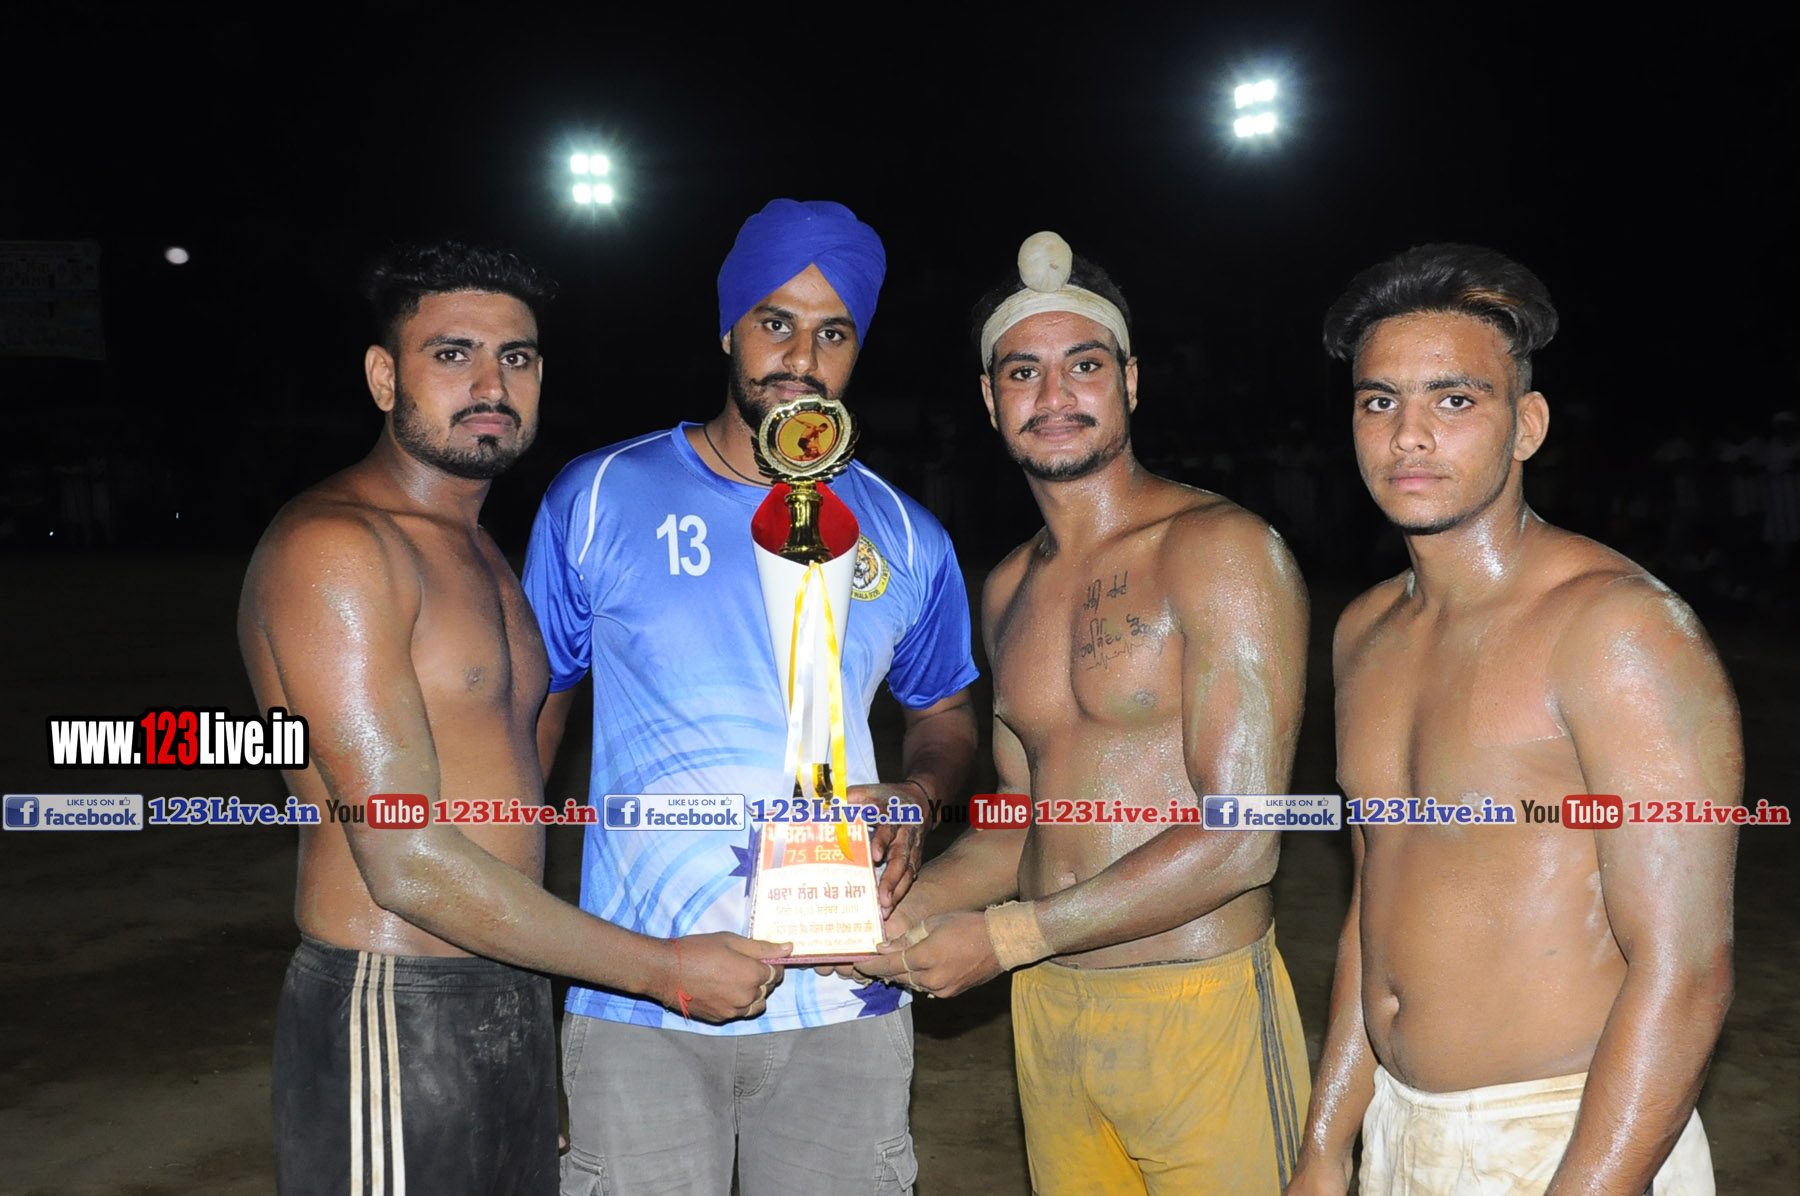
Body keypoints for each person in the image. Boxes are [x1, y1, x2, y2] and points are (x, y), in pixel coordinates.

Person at [240, 242, 785, 1196]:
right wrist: (660, 969)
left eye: (517, 358)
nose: (491, 385)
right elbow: (405, 859)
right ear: (384, 377)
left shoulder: (482, 552)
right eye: (452, 355)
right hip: (392, 1000)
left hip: (505, 990)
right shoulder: (338, 546)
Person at [524, 199, 980, 1196]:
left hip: (847, 996)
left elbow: (946, 714)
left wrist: (919, 793)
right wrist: (513, 951)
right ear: (728, 327)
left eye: (834, 333)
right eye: (776, 322)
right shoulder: (597, 498)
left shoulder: (908, 536)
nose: (802, 358)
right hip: (642, 994)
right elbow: (529, 731)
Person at [855, 231, 1311, 1196]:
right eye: (1023, 372)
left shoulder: (1219, 548)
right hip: (1049, 1011)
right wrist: (883, 918)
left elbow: (1244, 838)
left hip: (1195, 1006)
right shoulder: (1008, 586)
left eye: (1085, 366)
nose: (1054, 395)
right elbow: (1017, 826)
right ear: (991, 401)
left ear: (1130, 382)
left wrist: (1008, 937)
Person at [1285, 244, 1741, 1196]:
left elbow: (1686, 970)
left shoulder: (1619, 630)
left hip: (1572, 1137)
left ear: (1526, 425)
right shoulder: (1364, 631)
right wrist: (1327, 1146)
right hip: (1401, 1128)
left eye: (1455, 400)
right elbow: (1374, 906)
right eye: (1379, 401)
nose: (1410, 435)